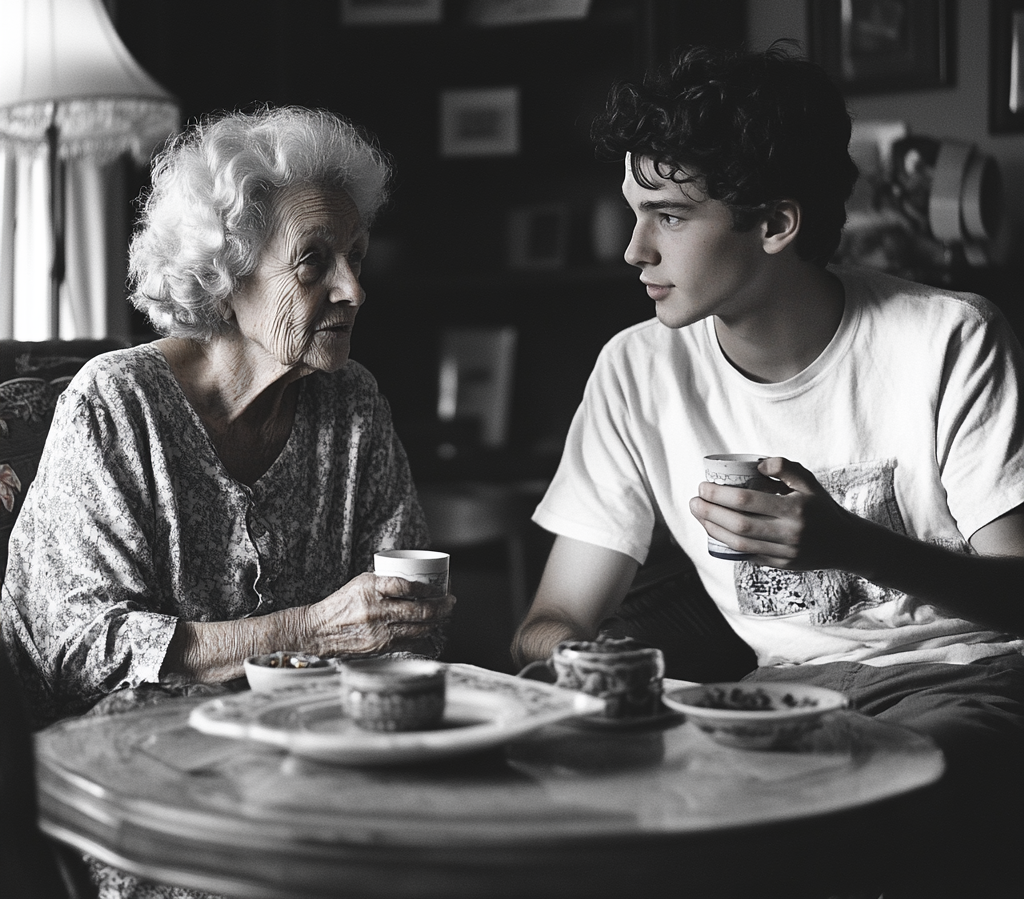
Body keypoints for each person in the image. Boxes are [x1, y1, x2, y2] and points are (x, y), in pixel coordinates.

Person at [511, 44, 1024, 897]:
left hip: (966, 683)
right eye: (635, 211)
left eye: (670, 217)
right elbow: (553, 616)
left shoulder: (947, 338)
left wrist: (852, 546)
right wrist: (590, 668)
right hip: (778, 702)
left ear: (776, 224)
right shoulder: (636, 369)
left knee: (839, 812)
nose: (634, 249)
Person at [1, 105, 454, 734]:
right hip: (123, 764)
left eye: (356, 254)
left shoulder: (352, 405)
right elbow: (81, 654)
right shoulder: (117, 406)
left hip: (309, 750)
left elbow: (402, 629)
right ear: (224, 273)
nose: (354, 288)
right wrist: (310, 630)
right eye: (314, 261)